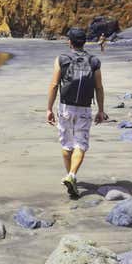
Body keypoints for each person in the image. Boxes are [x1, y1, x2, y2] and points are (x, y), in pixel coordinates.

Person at [46, 28, 108, 198]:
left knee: (66, 144)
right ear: (85, 42)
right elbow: (99, 87)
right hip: (85, 107)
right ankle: (71, 176)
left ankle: (71, 175)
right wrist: (101, 110)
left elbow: (53, 85)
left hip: (65, 107)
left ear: (70, 42)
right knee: (80, 143)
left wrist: (49, 109)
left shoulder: (62, 59)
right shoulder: (94, 61)